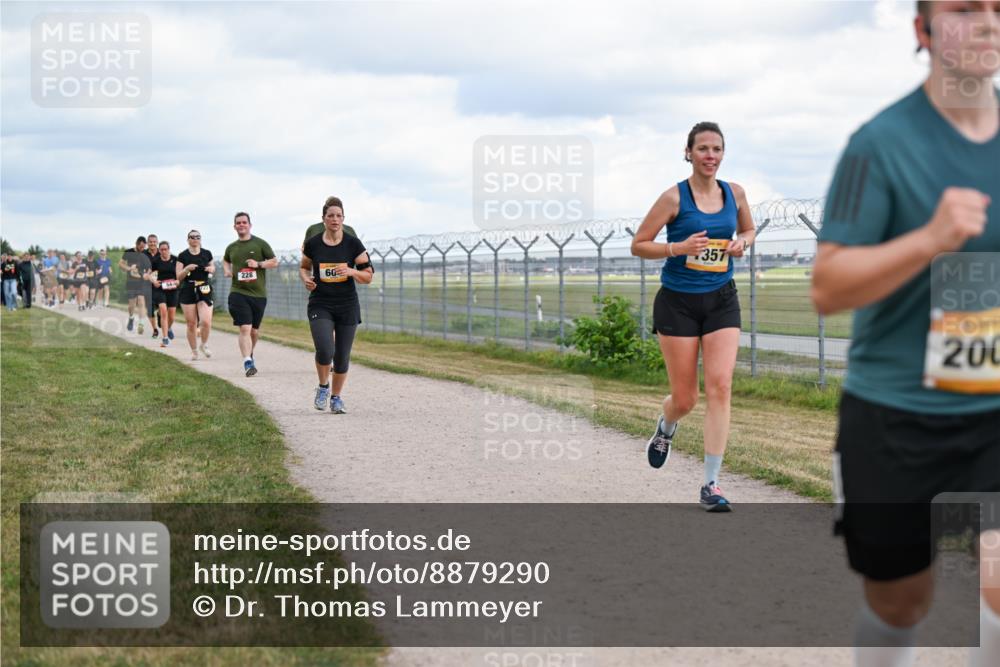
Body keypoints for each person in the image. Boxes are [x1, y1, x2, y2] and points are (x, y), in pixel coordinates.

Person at [811, 3, 1000, 666]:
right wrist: (931, 239)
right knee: (900, 603)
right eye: (965, 8)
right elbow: (827, 287)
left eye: (998, 7)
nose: (988, 21)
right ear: (923, 31)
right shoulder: (878, 144)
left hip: (994, 409)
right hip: (895, 415)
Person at [630, 121, 755, 512]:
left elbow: (749, 230)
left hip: (722, 300)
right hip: (678, 304)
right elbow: (639, 245)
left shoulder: (735, 193)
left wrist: (742, 243)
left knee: (721, 387)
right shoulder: (673, 198)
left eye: (716, 149)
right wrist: (679, 248)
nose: (710, 156)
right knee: (685, 399)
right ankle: (666, 426)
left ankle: (711, 484)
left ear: (723, 154)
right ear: (688, 153)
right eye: (702, 148)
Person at [300, 197, 374, 413]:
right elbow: (304, 267)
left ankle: (336, 398)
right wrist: (305, 278)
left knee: (341, 357)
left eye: (338, 216)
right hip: (320, 303)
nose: (335, 219)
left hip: (347, 305)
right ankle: (323, 387)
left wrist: (351, 271)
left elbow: (368, 276)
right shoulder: (313, 243)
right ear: (323, 219)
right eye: (330, 215)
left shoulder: (353, 244)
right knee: (325, 349)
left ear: (343, 219)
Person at [223, 212, 277, 376]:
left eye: (244, 222)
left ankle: (250, 353)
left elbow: (274, 261)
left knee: (254, 331)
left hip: (258, 295)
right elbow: (226, 260)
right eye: (238, 223)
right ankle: (247, 361)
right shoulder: (231, 247)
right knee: (245, 328)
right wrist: (227, 270)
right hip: (238, 292)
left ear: (250, 225)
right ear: (234, 226)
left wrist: (258, 264)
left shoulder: (260, 244)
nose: (241, 225)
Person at [177, 230, 215, 360]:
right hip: (188, 288)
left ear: (200, 239)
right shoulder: (183, 255)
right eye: (192, 237)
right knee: (191, 323)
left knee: (206, 321)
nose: (195, 239)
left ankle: (203, 344)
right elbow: (178, 277)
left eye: (197, 237)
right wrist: (187, 269)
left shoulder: (207, 253)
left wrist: (211, 269)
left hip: (204, 287)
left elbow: (212, 268)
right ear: (188, 239)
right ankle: (194, 351)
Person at [149, 241, 179, 347]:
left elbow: (181, 274)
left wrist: (178, 281)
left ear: (169, 249)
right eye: (161, 250)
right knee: (163, 310)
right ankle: (165, 338)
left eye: (165, 249)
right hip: (160, 288)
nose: (163, 251)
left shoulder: (176, 260)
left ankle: (168, 327)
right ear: (159, 250)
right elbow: (148, 274)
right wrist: (154, 281)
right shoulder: (156, 261)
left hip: (173, 289)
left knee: (172, 316)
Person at [119, 237, 152, 335]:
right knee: (131, 305)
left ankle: (141, 323)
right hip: (131, 282)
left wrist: (147, 274)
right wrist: (129, 268)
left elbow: (149, 268)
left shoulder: (145, 253)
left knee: (141, 301)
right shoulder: (128, 252)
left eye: (144, 247)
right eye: (140, 247)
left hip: (142, 282)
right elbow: (120, 264)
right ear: (136, 244)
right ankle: (131, 317)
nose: (142, 249)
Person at [145, 233, 161, 337]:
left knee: (163, 305)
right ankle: (155, 329)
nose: (152, 243)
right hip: (146, 284)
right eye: (150, 242)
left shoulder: (162, 252)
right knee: (149, 309)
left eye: (154, 242)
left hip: (160, 284)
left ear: (157, 242)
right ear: (147, 243)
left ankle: (160, 314)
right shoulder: (143, 254)